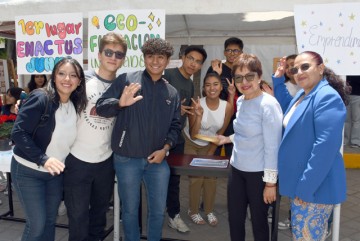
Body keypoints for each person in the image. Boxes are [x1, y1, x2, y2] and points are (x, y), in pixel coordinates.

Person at [96, 38, 181, 241]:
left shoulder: (172, 92)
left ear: (167, 61)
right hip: (126, 159)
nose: (155, 61)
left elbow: (176, 126)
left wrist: (166, 149)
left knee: (158, 212)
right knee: (130, 212)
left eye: (160, 57)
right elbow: (101, 106)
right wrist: (120, 103)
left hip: (158, 161)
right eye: (150, 56)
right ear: (144, 58)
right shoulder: (127, 80)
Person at [272, 51, 349, 241]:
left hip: (314, 188)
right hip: (303, 185)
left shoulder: (326, 97)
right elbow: (288, 112)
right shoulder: (303, 94)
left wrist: (305, 189)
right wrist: (278, 80)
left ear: (321, 68)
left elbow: (324, 150)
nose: (299, 72)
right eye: (294, 69)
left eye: (305, 66)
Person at [10, 57, 87, 241]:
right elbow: (18, 133)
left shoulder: (75, 104)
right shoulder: (41, 97)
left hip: (54, 174)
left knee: (50, 222)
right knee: (36, 225)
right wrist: (43, 159)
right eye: (62, 73)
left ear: (79, 81)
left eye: (73, 75)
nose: (67, 79)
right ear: (53, 76)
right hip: (28, 171)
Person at [63, 33, 127, 241]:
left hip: (105, 162)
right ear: (99, 54)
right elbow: (57, 98)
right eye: (108, 52)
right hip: (77, 160)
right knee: (78, 218)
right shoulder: (81, 81)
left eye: (118, 54)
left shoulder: (123, 86)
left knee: (99, 218)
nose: (113, 57)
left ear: (123, 59)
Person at [217, 53, 283, 241]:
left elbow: (272, 146)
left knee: (259, 224)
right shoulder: (240, 100)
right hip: (237, 170)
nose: (244, 82)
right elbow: (245, 132)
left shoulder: (268, 105)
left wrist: (270, 183)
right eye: (239, 77)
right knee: (235, 220)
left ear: (259, 77)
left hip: (258, 175)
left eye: (249, 76)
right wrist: (227, 139)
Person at [163, 45, 207, 233]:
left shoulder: (189, 84)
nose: (193, 64)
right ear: (182, 57)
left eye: (198, 62)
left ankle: (173, 215)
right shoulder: (168, 75)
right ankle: (131, 213)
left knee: (174, 179)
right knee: (149, 177)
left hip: (176, 138)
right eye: (191, 58)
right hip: (157, 137)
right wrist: (172, 109)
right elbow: (153, 104)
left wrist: (196, 115)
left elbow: (186, 113)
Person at [183, 72, 233, 226]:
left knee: (211, 177)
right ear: (204, 88)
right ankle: (193, 210)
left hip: (210, 143)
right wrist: (198, 115)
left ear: (220, 87)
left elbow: (220, 133)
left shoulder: (227, 106)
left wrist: (211, 152)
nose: (212, 88)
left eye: (215, 84)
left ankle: (209, 210)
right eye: (208, 85)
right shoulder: (197, 104)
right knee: (197, 178)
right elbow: (193, 133)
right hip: (191, 142)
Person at [207, 37, 244, 156]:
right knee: (213, 152)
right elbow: (206, 91)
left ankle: (231, 174)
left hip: (236, 117)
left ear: (241, 53)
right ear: (224, 52)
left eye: (236, 51)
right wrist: (215, 73)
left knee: (232, 152)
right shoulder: (216, 68)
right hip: (215, 117)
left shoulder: (242, 70)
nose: (232, 54)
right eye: (229, 50)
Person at [344, 75, 360, 148]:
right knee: (347, 120)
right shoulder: (348, 68)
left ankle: (355, 142)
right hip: (347, 95)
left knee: (356, 120)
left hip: (358, 96)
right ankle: (345, 140)